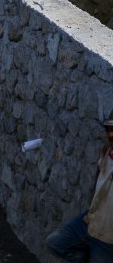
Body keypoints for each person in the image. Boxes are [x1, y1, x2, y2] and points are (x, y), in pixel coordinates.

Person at [47, 113, 113, 263]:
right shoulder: (106, 153)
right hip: (91, 222)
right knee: (55, 242)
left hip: (109, 239)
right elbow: (97, 183)